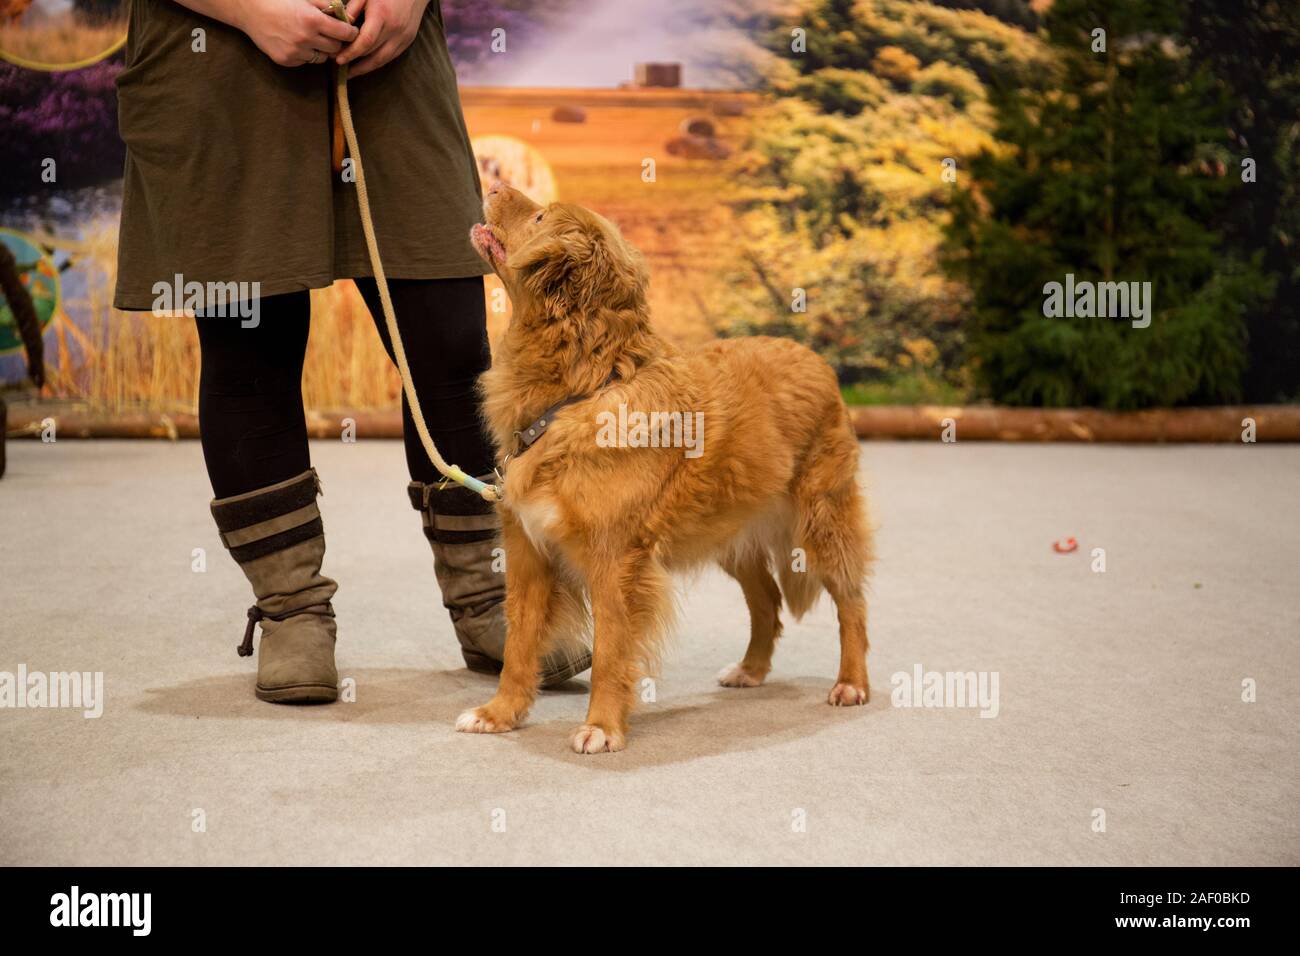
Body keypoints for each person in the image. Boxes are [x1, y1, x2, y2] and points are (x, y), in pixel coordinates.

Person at [112, 0, 590, 702]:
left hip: (390, 55)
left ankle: (492, 598)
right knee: (251, 348)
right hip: (217, 53)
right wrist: (250, 11)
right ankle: (292, 610)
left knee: (452, 341)